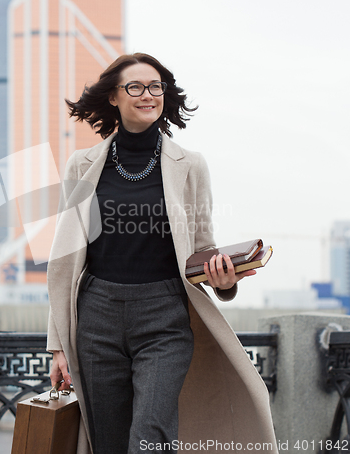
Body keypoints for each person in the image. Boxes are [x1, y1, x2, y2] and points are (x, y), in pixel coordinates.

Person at [47, 53, 278, 454]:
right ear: (114, 98)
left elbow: (202, 247)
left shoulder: (190, 165)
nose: (147, 95)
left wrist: (224, 282)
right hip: (96, 316)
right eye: (135, 87)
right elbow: (65, 261)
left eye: (155, 87)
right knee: (110, 440)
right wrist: (58, 344)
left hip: (165, 317)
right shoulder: (81, 165)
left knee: (151, 436)